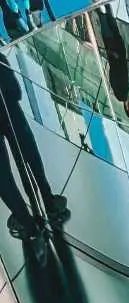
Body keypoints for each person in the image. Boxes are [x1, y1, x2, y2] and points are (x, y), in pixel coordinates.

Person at [0, 53, 69, 248]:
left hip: (9, 105)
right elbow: (15, 92)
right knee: (28, 153)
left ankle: (27, 223)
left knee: (4, 177)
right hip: (10, 108)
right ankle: (48, 202)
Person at [98, 5, 129, 119]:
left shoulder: (122, 96)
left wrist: (115, 58)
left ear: (127, 109)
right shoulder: (126, 93)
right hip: (117, 47)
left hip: (114, 48)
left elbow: (114, 77)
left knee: (105, 18)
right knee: (107, 17)